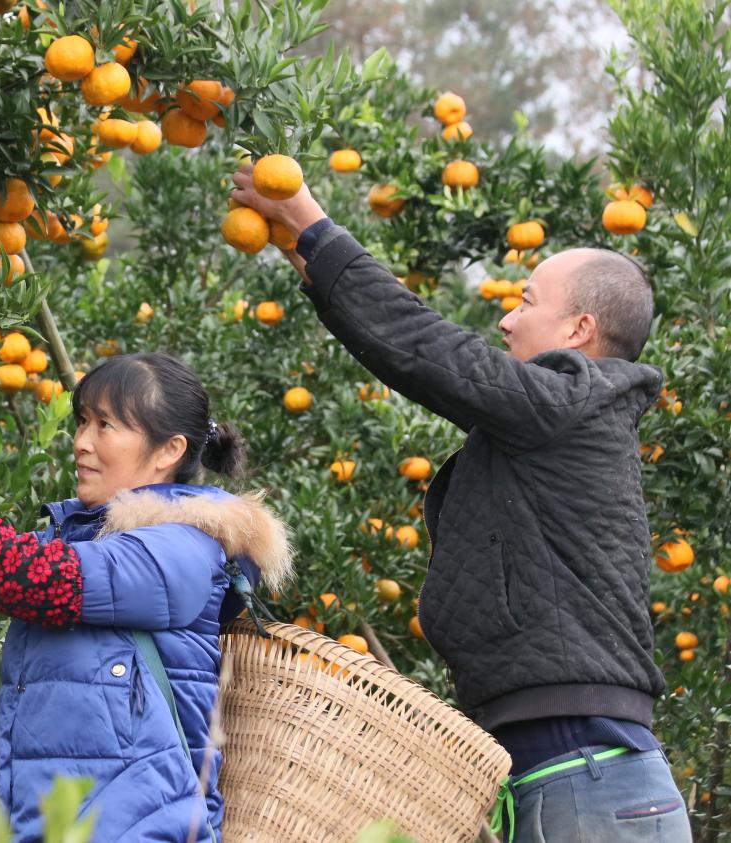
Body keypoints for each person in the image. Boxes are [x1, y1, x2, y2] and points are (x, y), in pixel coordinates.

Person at [229, 166, 691, 842]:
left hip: (587, 779)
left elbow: (430, 351)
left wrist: (311, 223)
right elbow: (421, 351)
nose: (505, 316)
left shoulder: (570, 404)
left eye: (526, 301)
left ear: (578, 329)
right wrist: (307, 256)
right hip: (565, 776)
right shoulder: (558, 420)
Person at [0, 352, 292, 842]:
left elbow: (21, 573)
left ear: (168, 450)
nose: (81, 443)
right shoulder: (86, 542)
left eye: (105, 425)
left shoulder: (181, 550)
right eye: (81, 422)